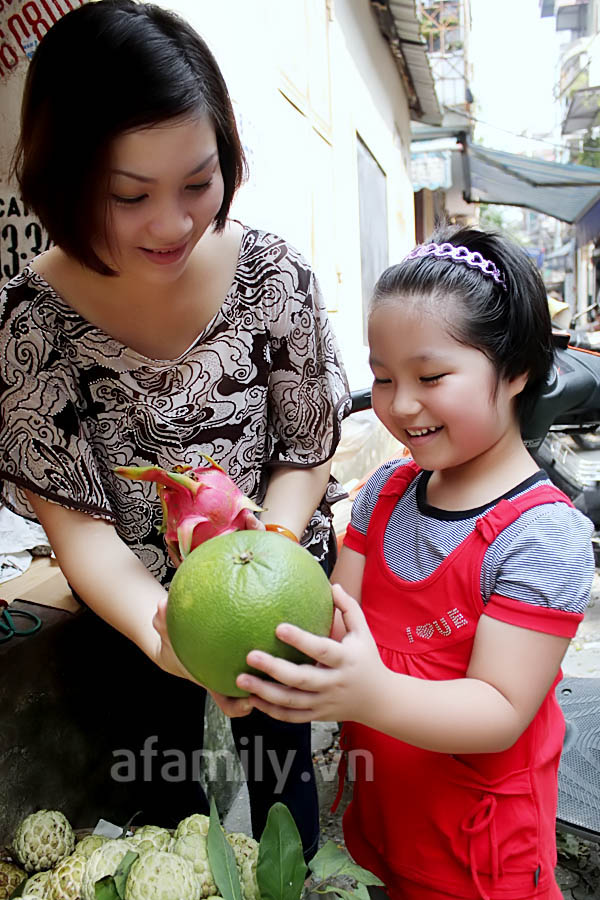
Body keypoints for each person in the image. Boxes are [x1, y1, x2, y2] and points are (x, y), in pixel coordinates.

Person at [0, 0, 350, 852]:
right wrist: (164, 630)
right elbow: (80, 530)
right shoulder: (29, 329)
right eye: (130, 195)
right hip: (134, 618)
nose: (174, 224)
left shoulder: (274, 276)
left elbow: (303, 450)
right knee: (159, 813)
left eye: (199, 182)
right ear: (66, 180)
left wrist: (265, 554)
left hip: (273, 600)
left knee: (282, 799)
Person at [234, 226, 595, 899]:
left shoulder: (541, 536)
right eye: (382, 377)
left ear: (514, 370)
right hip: (380, 827)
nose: (400, 404)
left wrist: (370, 695)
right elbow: (334, 626)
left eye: (430, 377)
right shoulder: (386, 494)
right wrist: (265, 672)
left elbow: (500, 709)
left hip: (481, 860)